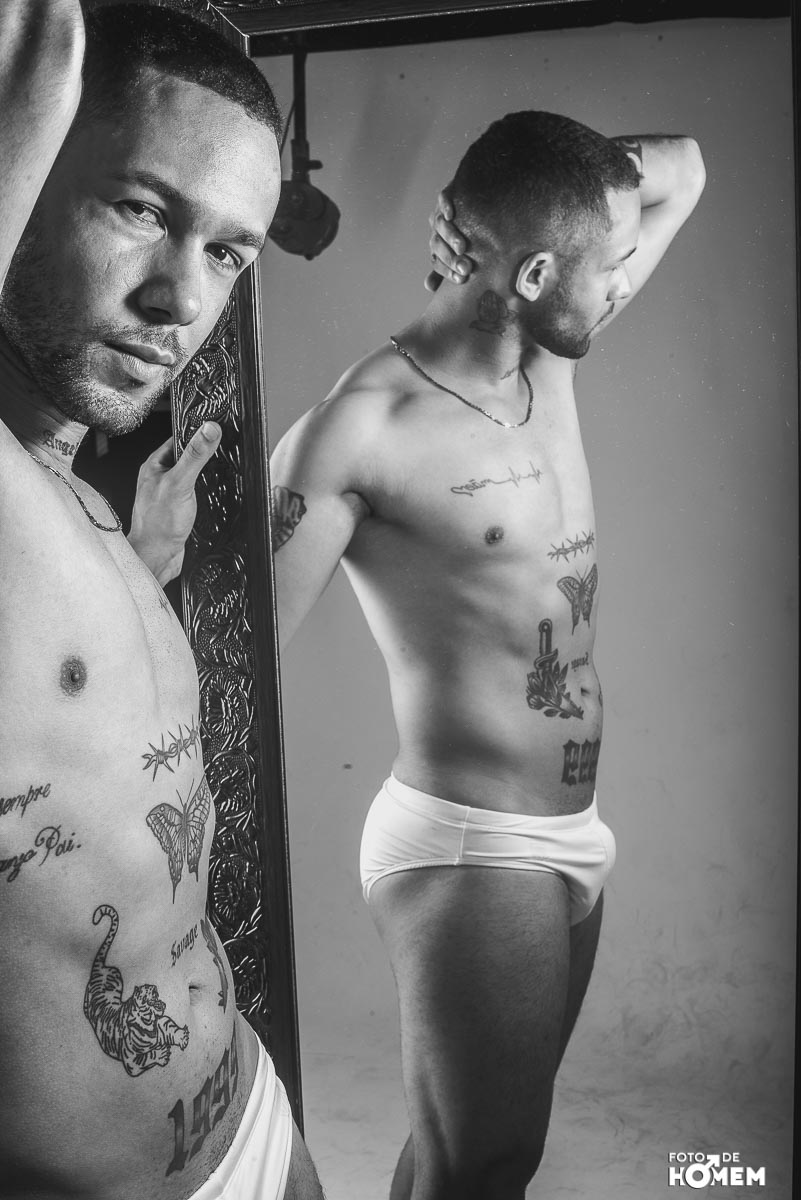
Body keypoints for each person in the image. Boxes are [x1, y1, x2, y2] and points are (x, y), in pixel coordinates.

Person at [264, 110, 705, 1200]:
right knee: (486, 1165)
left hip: (571, 833)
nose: (622, 281)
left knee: (464, 1155)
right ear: (537, 274)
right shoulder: (359, 430)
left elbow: (685, 170)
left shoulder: (547, 357)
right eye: (607, 264)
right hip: (470, 844)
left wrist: (530, 195)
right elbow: (228, 668)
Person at [0, 3, 324, 1198]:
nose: (183, 297)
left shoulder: (72, 502)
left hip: (251, 1115)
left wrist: (143, 563)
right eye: (142, 209)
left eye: (230, 252)